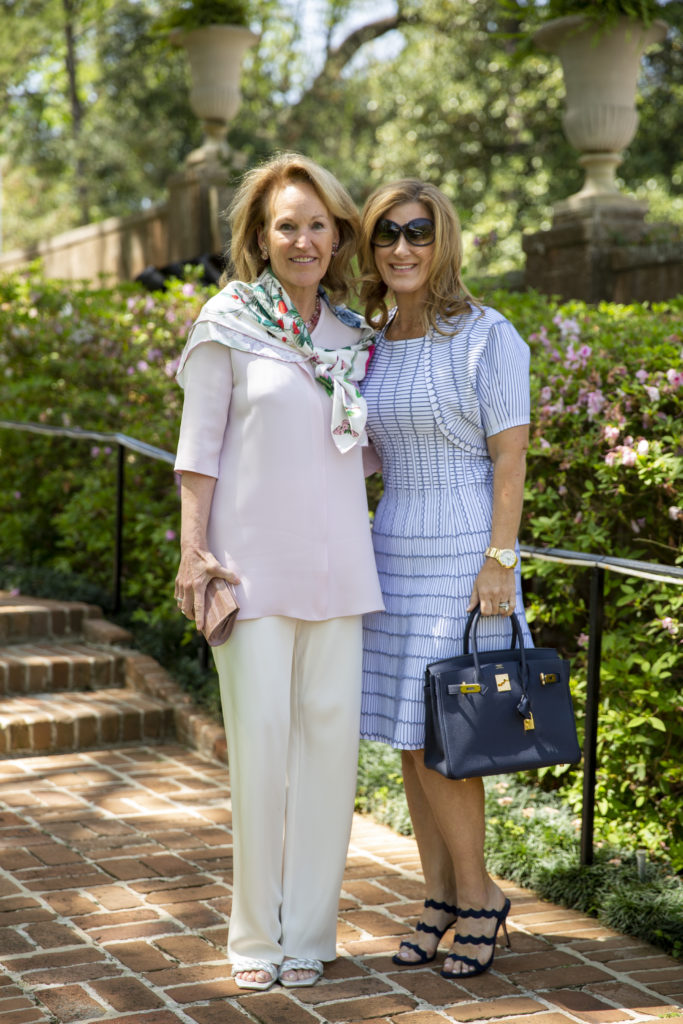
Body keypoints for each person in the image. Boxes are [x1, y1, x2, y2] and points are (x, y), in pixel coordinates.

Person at [173, 152, 383, 991]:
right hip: (248, 574)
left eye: (317, 225)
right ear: (261, 238)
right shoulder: (225, 321)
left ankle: (310, 933)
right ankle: (253, 939)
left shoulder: (354, 337)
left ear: (338, 237)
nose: (303, 238)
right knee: (260, 755)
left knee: (330, 757)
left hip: (340, 571)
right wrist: (195, 553)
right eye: (285, 225)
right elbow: (198, 453)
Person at [358, 179, 533, 979]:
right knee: (407, 737)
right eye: (385, 234)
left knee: (446, 741)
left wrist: (500, 560)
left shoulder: (485, 334)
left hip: (467, 556)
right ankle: (435, 897)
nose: (401, 247)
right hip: (389, 553)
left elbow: (509, 454)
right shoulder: (369, 338)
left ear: (442, 241)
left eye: (416, 232)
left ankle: (479, 898)